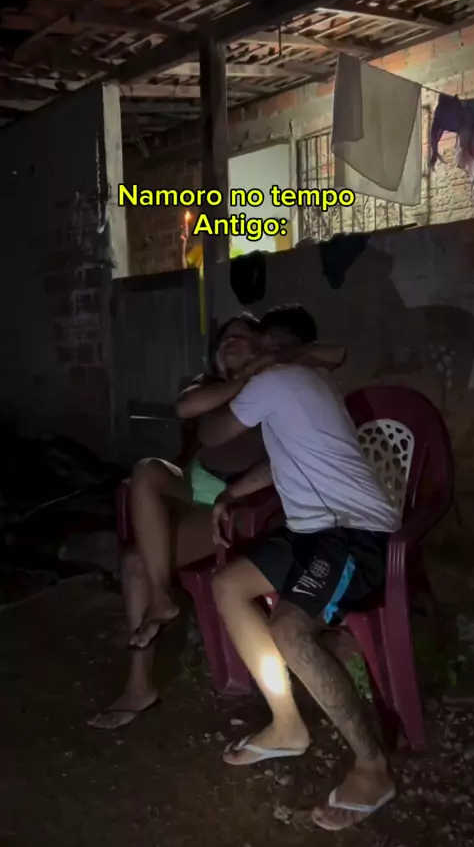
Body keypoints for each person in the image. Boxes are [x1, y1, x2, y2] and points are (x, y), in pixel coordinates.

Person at [88, 312, 345, 730]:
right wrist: (243, 377)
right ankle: (160, 608)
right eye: (225, 339)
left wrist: (266, 365)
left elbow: (335, 353)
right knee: (146, 470)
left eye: (242, 337)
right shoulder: (208, 387)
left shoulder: (272, 382)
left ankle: (140, 679)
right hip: (189, 491)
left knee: (135, 562)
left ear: (260, 346)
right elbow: (185, 407)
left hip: (229, 507)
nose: (230, 342)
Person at [198, 305, 400, 831]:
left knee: (289, 629)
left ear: (272, 347)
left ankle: (373, 768)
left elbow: (212, 433)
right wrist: (231, 494)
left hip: (351, 533)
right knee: (229, 585)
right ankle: (287, 725)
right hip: (315, 530)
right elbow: (280, 461)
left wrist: (236, 381)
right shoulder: (305, 381)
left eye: (250, 340)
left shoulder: (279, 379)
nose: (241, 351)